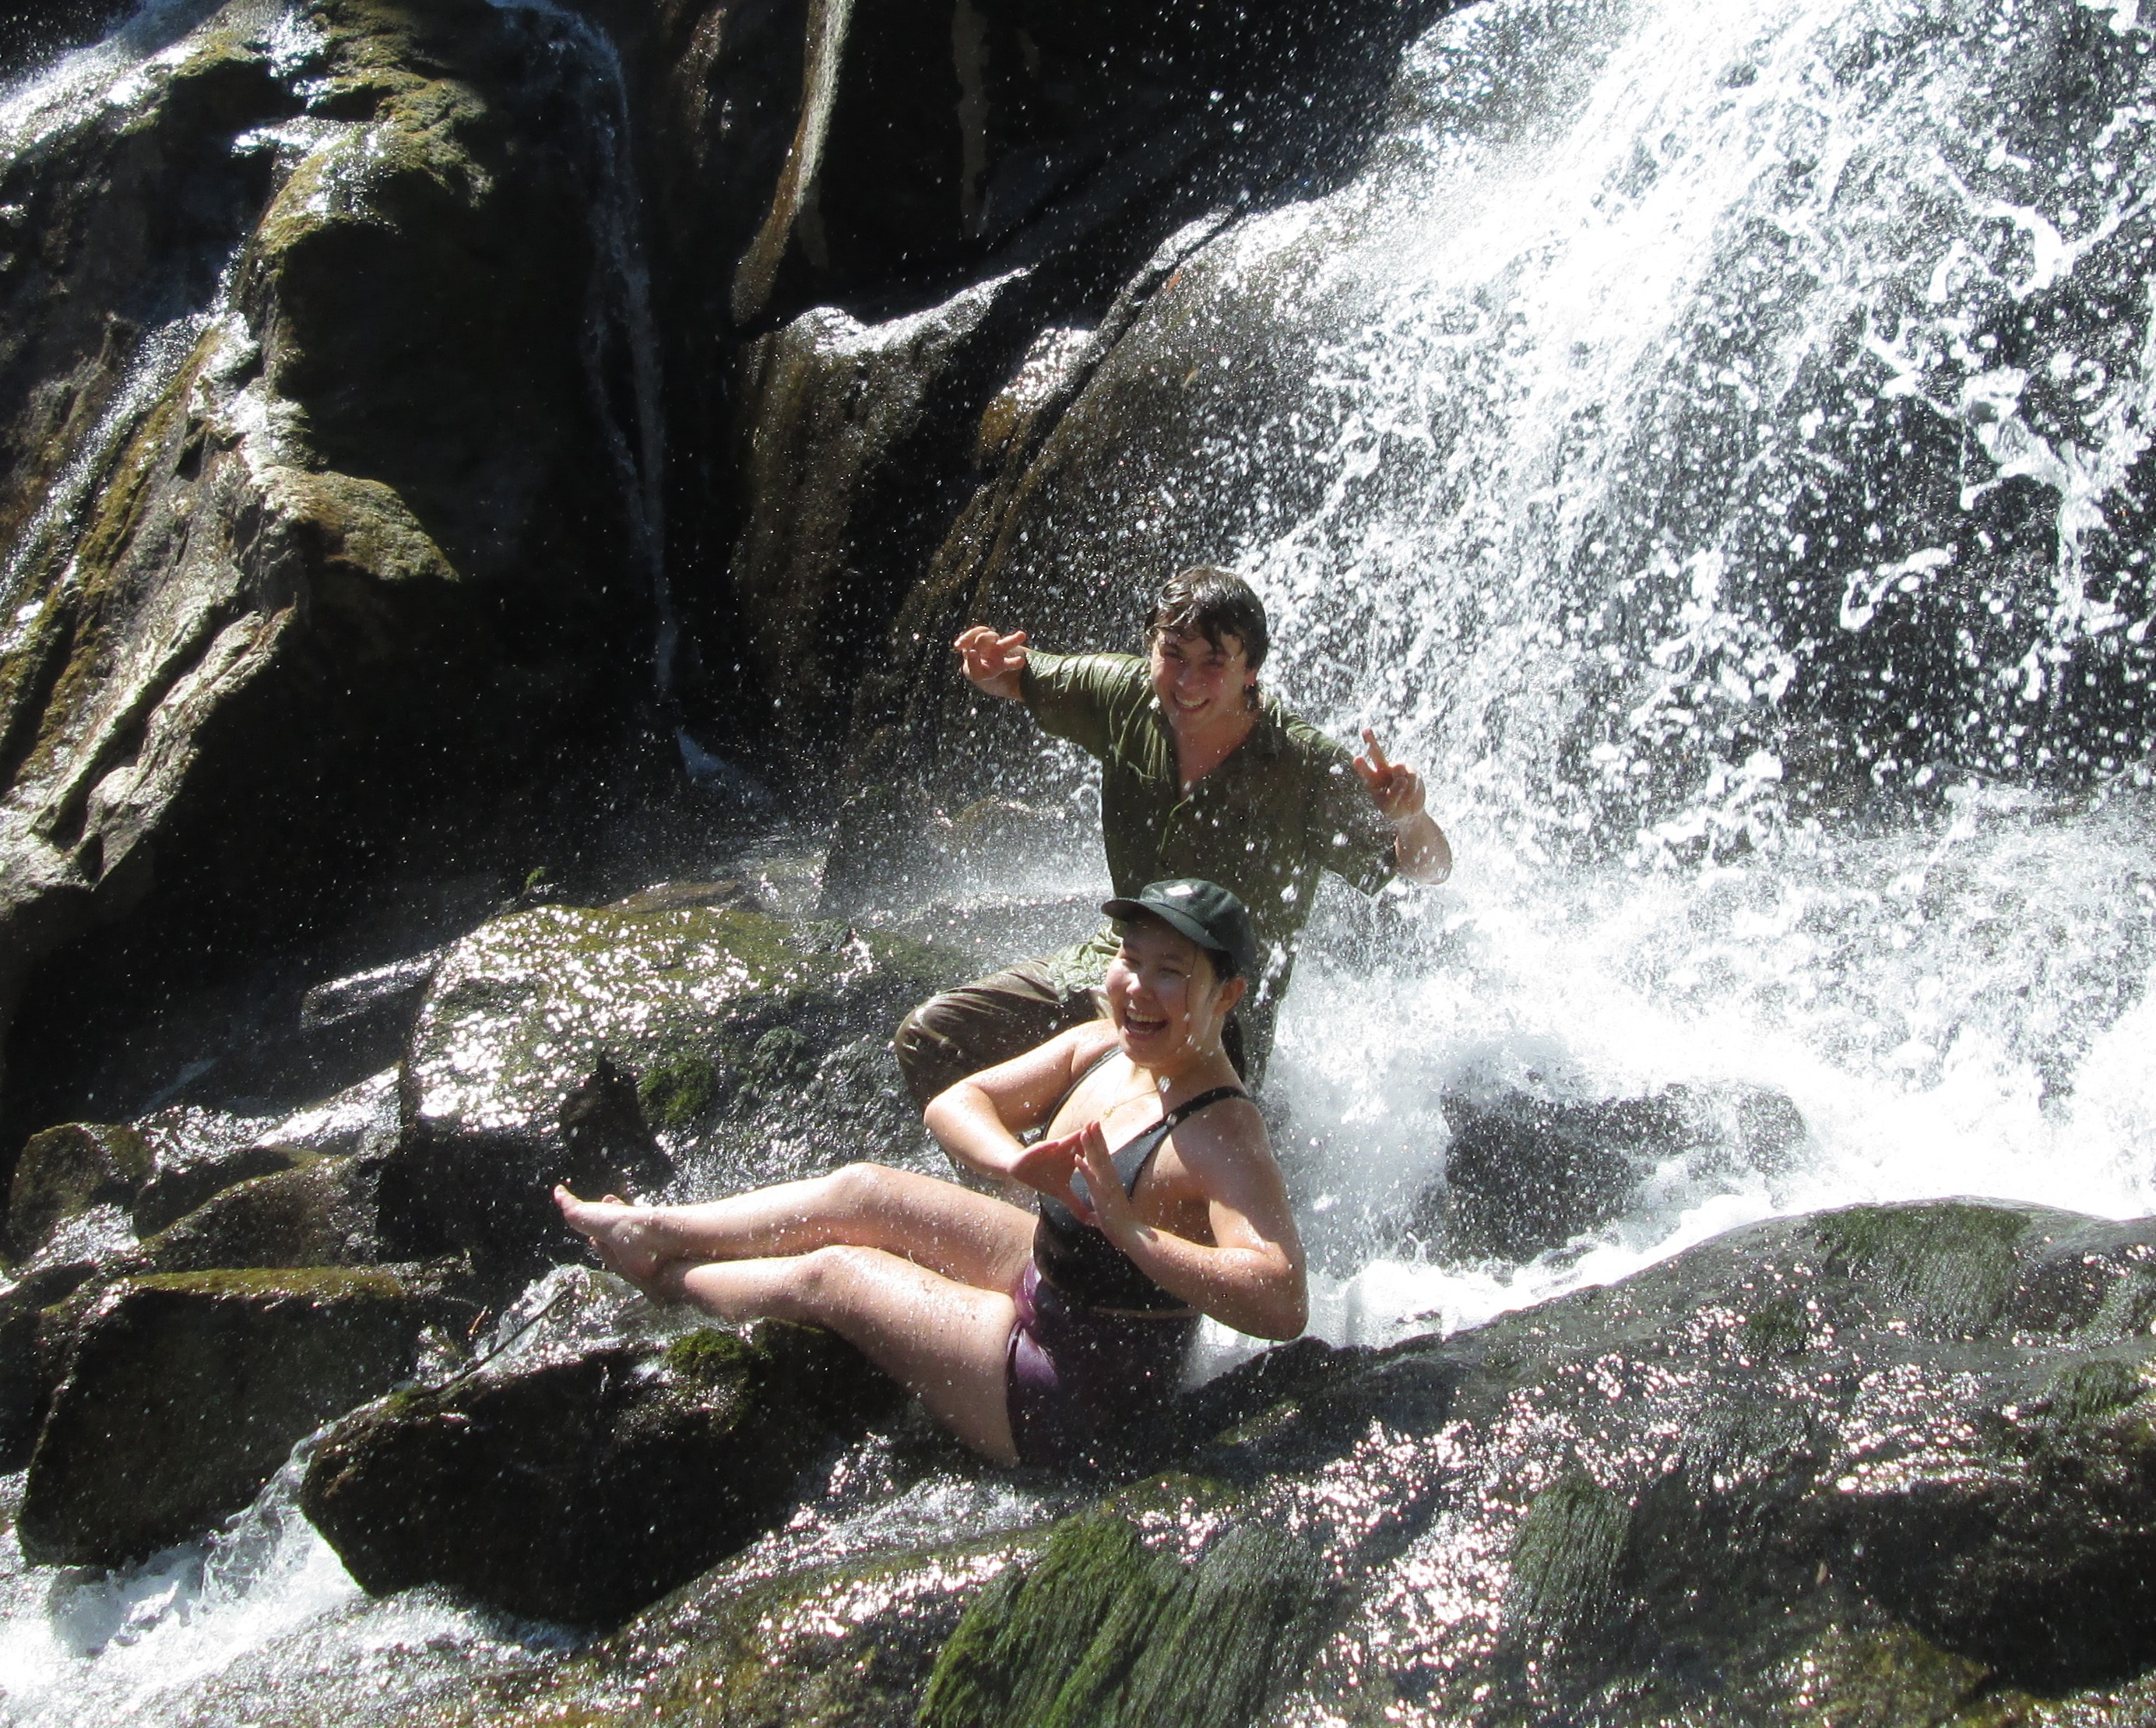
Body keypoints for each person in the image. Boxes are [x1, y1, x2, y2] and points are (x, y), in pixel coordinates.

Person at [555, 879, 1305, 1471]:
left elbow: (1280, 1299)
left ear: (1226, 994)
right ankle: (654, 1227)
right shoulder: (1103, 1047)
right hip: (1046, 1275)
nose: (1137, 988)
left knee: (835, 1276)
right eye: (1129, 959)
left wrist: (1131, 1228)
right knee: (863, 1190)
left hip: (1072, 1391)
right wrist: (1015, 1162)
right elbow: (957, 1100)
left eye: (1170, 972)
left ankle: (660, 1277)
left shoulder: (1224, 1135)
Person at [893, 565, 1451, 1107]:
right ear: (1151, 650)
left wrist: (1409, 817)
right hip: (1113, 966)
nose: (1187, 682)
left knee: (1116, 1076)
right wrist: (989, 666)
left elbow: (1429, 867)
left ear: (1250, 669)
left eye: (1213, 662)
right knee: (931, 1036)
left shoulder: (1301, 764)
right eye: (1173, 655)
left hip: (1217, 1011)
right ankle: (1017, 1197)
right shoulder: (1123, 695)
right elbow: (1017, 674)